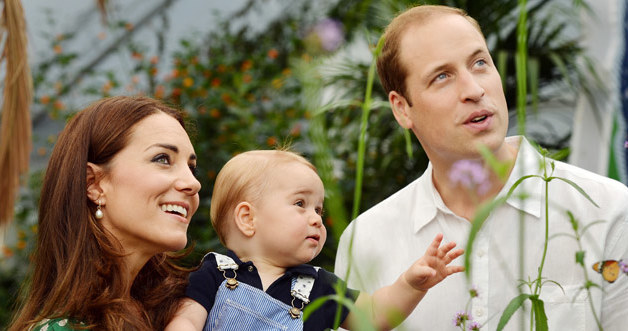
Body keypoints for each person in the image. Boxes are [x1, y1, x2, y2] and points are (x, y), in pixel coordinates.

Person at [335, 4, 628, 331]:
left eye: (480, 63)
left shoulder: (608, 210)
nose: (474, 90)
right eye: (442, 76)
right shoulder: (366, 240)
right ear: (402, 109)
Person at [165, 150, 464, 331]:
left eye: (318, 209)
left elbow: (374, 315)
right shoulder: (215, 273)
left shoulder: (319, 286)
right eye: (300, 204)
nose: (316, 219)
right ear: (248, 218)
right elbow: (186, 321)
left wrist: (411, 285)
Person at [8, 96, 202, 330]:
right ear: (94, 184)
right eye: (162, 159)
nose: (193, 183)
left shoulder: (192, 310)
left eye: (191, 168)